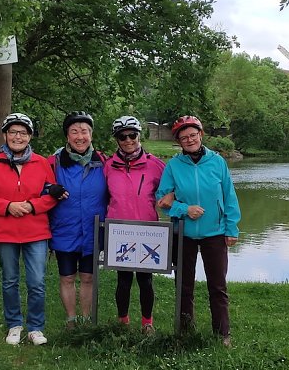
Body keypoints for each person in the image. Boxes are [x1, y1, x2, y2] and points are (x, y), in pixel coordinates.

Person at [0, 113, 60, 346]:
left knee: (37, 281)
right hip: (5, 231)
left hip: (36, 231)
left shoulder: (41, 163)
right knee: (10, 280)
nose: (17, 137)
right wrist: (7, 206)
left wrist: (31, 205)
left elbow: (51, 196)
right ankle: (14, 324)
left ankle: (35, 327)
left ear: (30, 136)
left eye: (23, 132)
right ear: (5, 135)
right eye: (13, 132)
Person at [156, 115, 241, 347]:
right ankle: (185, 331)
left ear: (201, 135)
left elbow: (229, 196)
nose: (189, 140)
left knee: (218, 285)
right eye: (184, 138)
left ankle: (222, 334)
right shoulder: (173, 165)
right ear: (179, 142)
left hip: (215, 232)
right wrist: (184, 209)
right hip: (183, 234)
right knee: (184, 285)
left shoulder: (217, 162)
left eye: (193, 135)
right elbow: (161, 199)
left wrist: (231, 228)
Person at [103, 116, 166, 334]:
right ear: (116, 139)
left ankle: (147, 323)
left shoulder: (156, 165)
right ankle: (123, 321)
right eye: (123, 136)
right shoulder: (108, 166)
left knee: (146, 280)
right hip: (119, 229)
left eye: (133, 135)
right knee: (124, 279)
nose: (128, 140)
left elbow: (172, 190)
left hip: (148, 231)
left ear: (139, 136)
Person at [48, 111, 108, 328]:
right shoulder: (53, 162)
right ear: (67, 136)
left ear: (91, 135)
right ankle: (71, 319)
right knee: (67, 277)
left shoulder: (104, 162)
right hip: (65, 230)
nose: (80, 136)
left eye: (84, 131)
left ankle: (86, 319)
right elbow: (37, 185)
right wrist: (49, 188)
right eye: (74, 132)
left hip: (93, 231)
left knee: (88, 278)